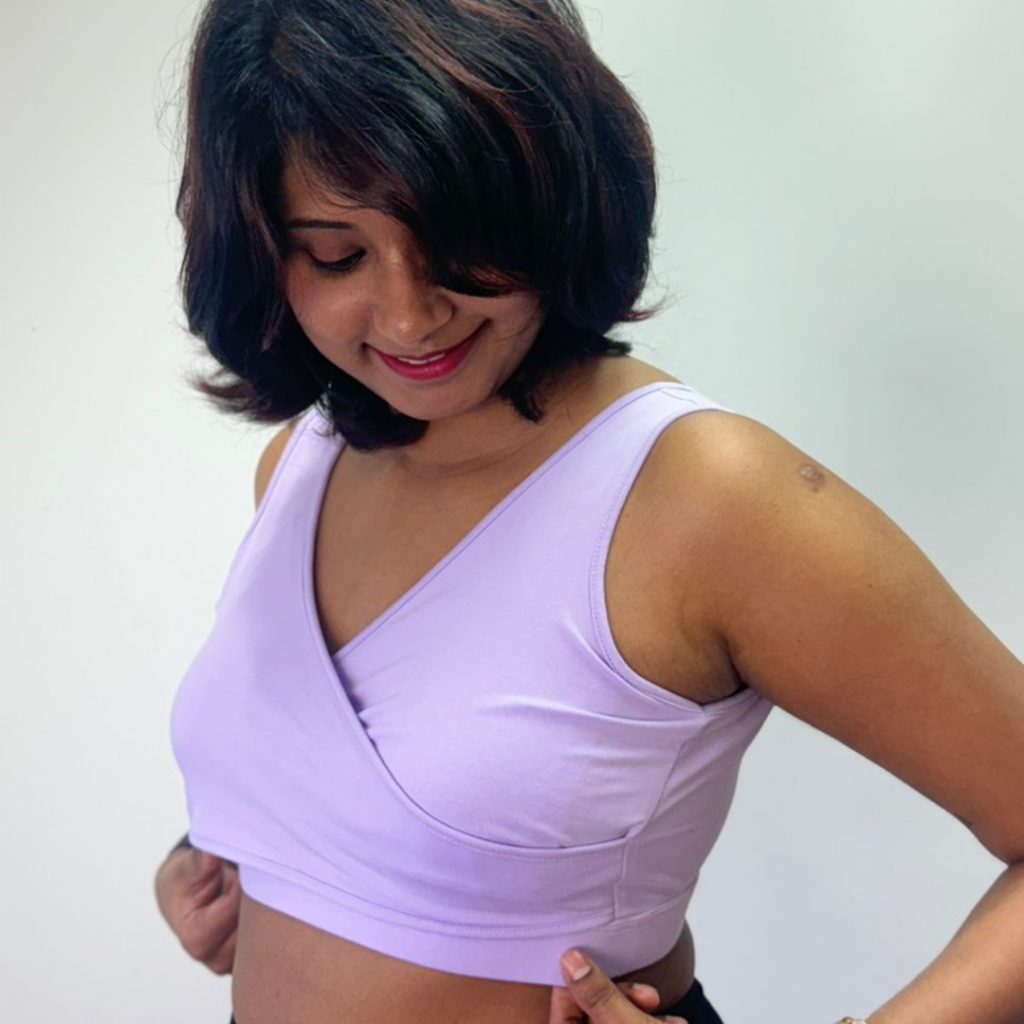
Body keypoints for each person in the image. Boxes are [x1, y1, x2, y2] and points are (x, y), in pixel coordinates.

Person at [154, 2, 1024, 1023]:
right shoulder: (300, 465)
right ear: (260, 249)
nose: (411, 314)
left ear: (552, 197)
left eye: (457, 239)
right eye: (337, 255)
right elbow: (362, 797)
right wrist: (219, 857)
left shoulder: (705, 499)